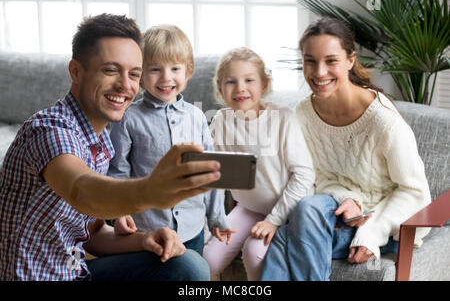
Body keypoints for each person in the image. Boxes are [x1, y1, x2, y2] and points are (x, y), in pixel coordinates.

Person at [0, 14, 221, 281]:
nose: (125, 85)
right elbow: (81, 189)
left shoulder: (100, 141)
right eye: (111, 70)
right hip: (34, 276)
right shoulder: (50, 130)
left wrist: (144, 239)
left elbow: (92, 234)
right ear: (76, 72)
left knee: (189, 266)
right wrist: (151, 191)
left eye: (134, 74)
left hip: (75, 271)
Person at [261, 17, 432, 281]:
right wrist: (347, 199)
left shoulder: (383, 121)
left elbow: (416, 193)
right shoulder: (303, 115)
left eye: (331, 61)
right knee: (307, 208)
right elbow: (312, 178)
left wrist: (372, 232)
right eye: (310, 61)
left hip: (384, 223)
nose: (319, 72)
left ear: (350, 60)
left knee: (284, 237)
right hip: (333, 216)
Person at [107, 24, 231, 257]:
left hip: (192, 230)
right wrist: (119, 212)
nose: (166, 77)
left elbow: (211, 171)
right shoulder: (127, 118)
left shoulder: (197, 117)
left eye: (175, 68)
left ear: (188, 71)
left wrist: (216, 217)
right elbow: (117, 171)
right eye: (155, 69)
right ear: (141, 74)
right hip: (146, 229)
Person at [202, 47, 315, 280]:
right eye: (231, 81)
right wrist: (216, 218)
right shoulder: (221, 121)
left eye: (249, 80)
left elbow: (304, 175)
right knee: (208, 260)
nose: (240, 88)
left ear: (264, 85)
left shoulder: (283, 118)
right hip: (248, 208)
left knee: (254, 252)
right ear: (220, 88)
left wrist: (274, 220)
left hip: (289, 210)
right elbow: (214, 174)